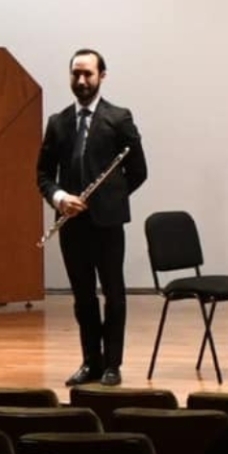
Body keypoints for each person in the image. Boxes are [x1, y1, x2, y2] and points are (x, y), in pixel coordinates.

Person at [37, 48, 147, 387]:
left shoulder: (119, 117)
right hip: (72, 222)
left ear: (102, 76)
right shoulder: (58, 122)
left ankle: (113, 364)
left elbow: (139, 171)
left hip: (108, 222)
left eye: (88, 74)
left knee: (114, 293)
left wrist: (109, 199)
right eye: (76, 74)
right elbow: (43, 174)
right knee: (83, 296)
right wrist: (60, 198)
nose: (82, 80)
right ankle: (91, 362)